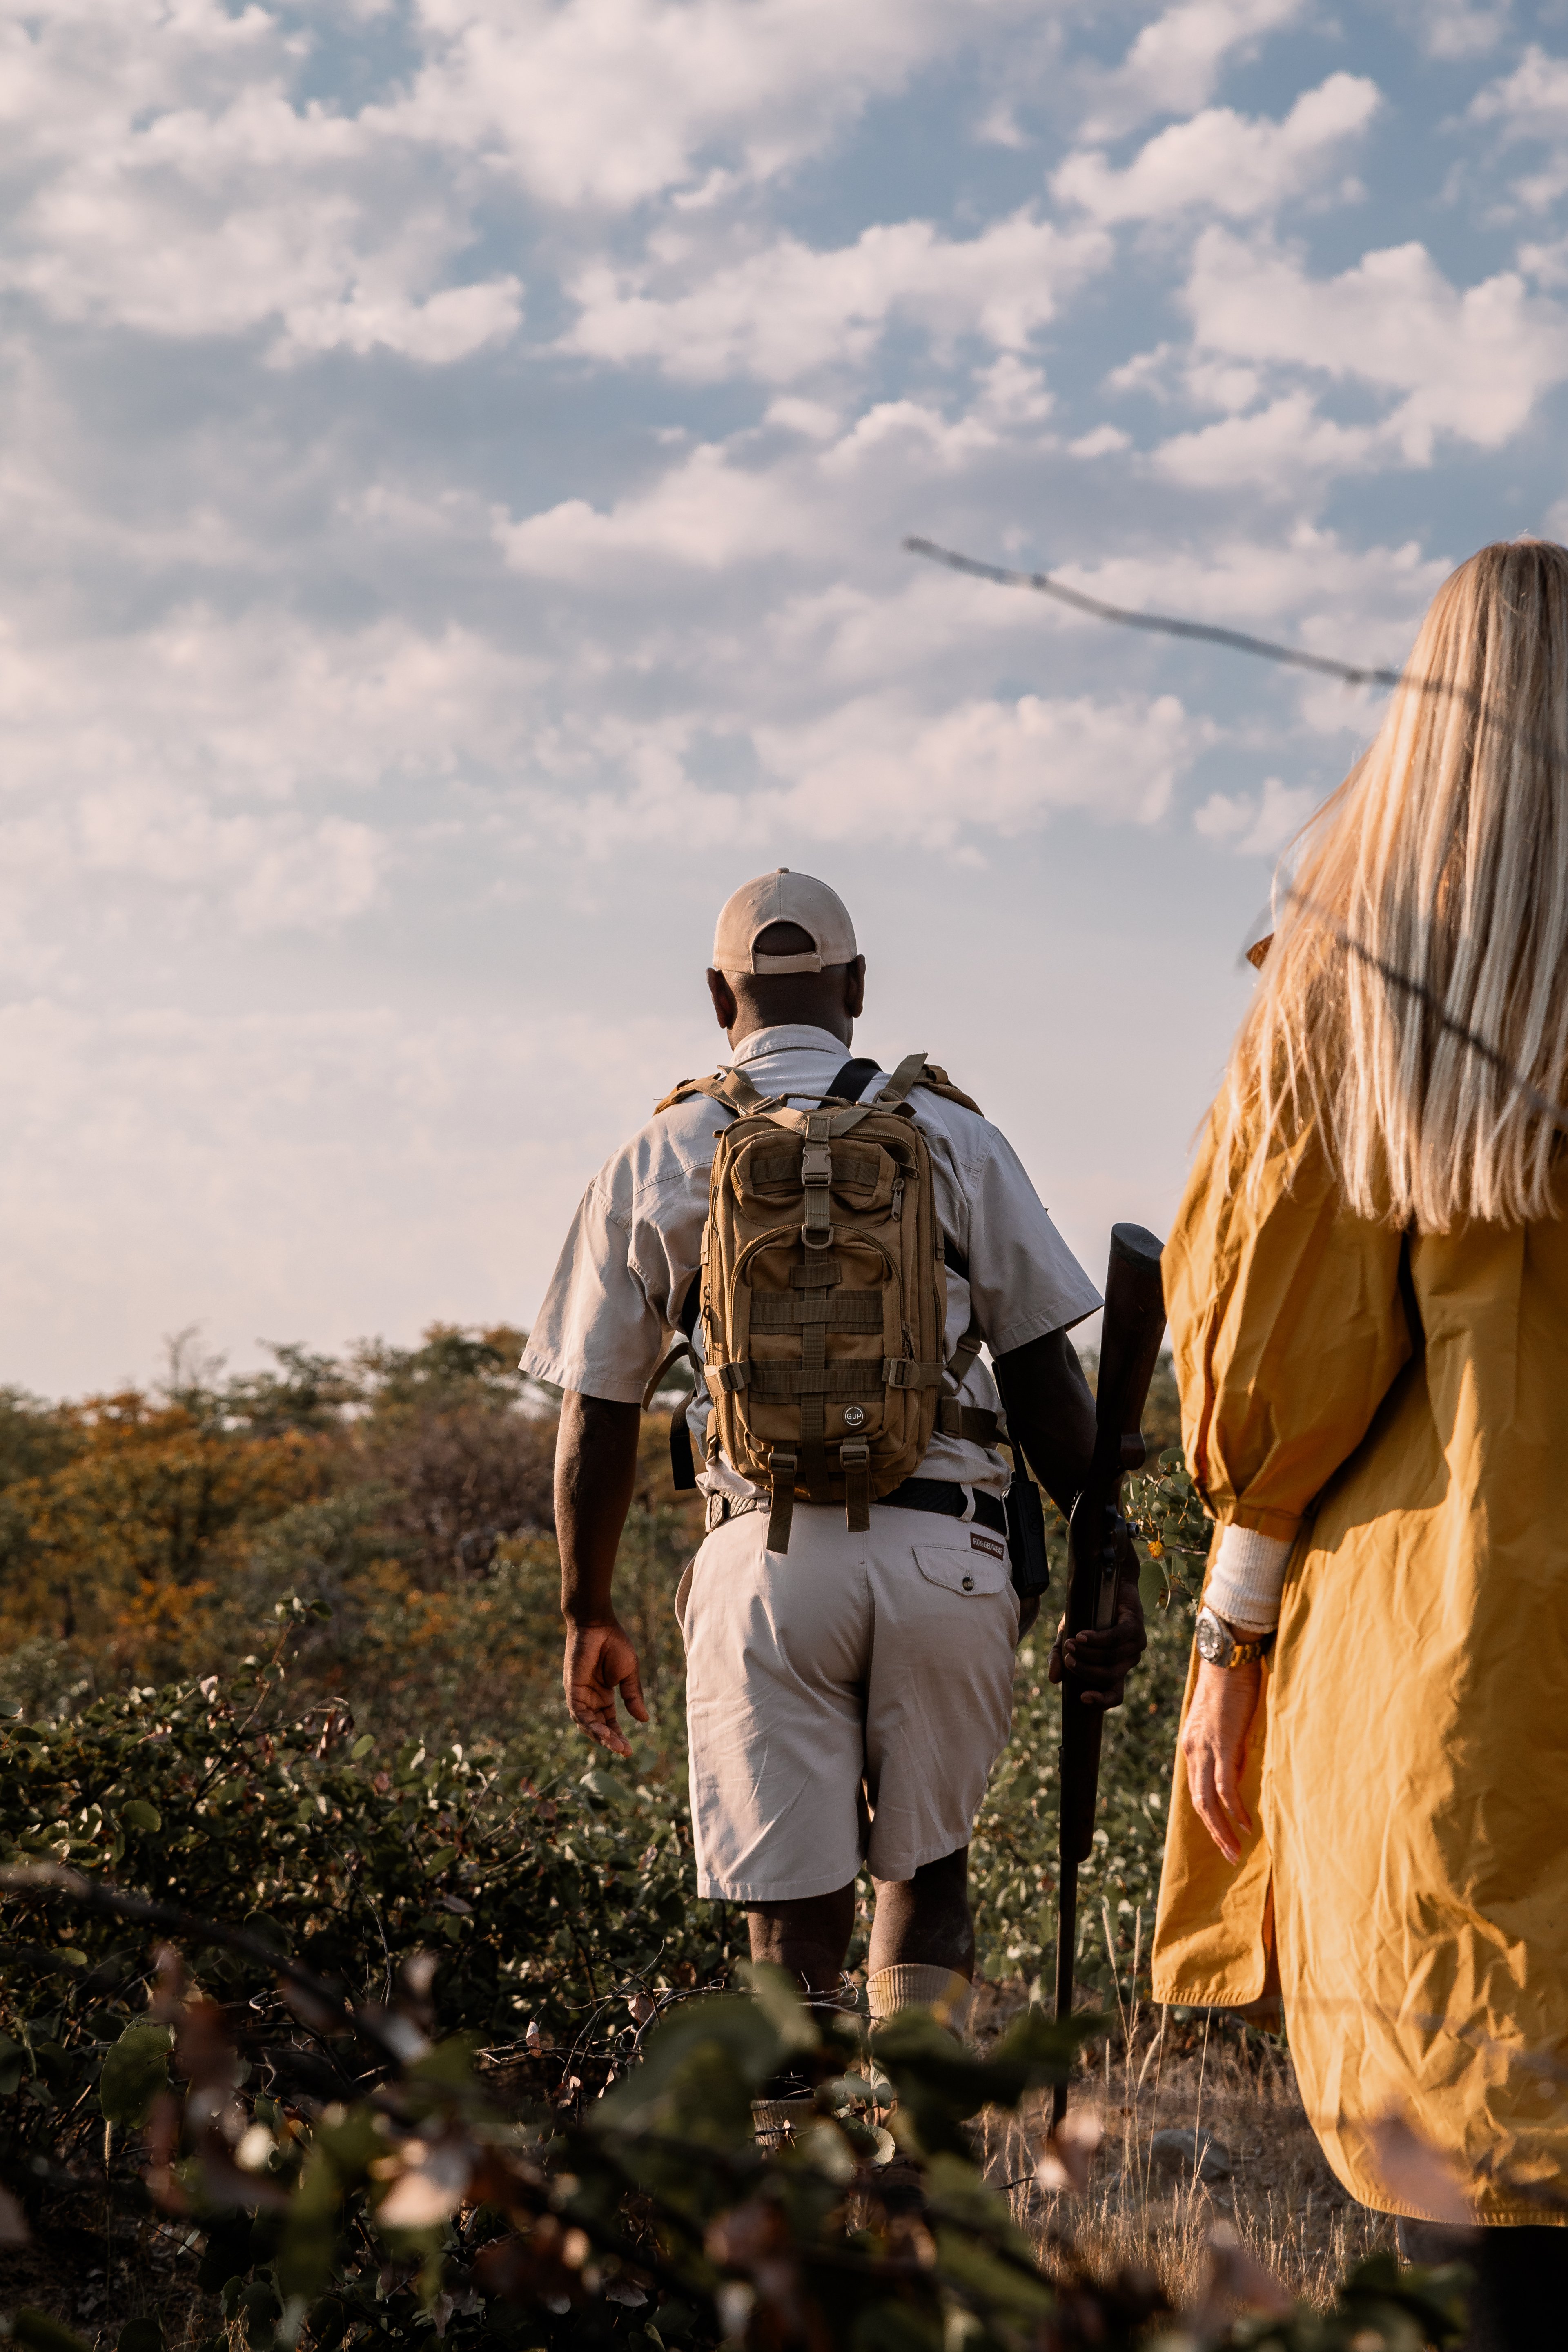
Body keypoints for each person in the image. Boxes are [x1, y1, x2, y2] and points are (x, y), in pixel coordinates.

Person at [1152, 541, 1568, 2345]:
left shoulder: (1347, 989)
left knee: (1480, 2197)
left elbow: (1266, 1379)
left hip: (1452, 1691)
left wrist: (1228, 1643)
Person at [524, 867, 1145, 2043]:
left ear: (721, 998)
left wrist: (585, 1610)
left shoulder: (657, 1154)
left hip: (761, 1566)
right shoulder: (953, 1133)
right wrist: (1108, 1555)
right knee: (929, 1870)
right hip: (948, 1558)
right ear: (857, 986)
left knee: (789, 1909)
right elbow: (1044, 1383)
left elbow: (598, 1411)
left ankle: (799, 2143)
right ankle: (919, 2136)